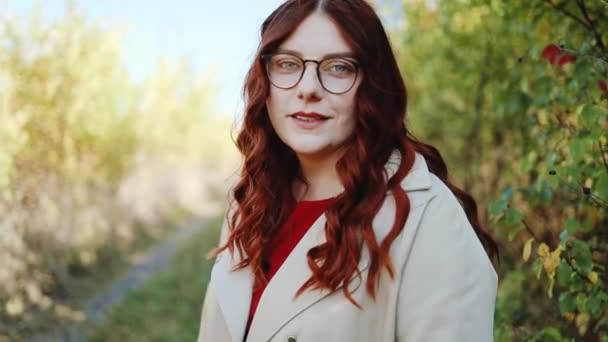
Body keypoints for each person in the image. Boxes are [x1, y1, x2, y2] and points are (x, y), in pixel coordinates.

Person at [197, 0, 499, 341]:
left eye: (338, 68)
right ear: (264, 80)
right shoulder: (248, 201)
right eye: (287, 64)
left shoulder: (427, 218)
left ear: (371, 84)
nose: (308, 88)